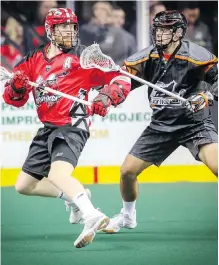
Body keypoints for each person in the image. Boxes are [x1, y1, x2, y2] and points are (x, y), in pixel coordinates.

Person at [2, 7, 131, 247]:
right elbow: (13, 100)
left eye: (72, 27)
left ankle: (91, 215)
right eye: (62, 27)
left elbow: (121, 78)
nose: (69, 32)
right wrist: (17, 87)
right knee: (24, 185)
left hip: (73, 124)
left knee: (57, 174)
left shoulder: (84, 57)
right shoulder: (32, 60)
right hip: (48, 127)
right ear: (50, 30)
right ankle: (74, 198)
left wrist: (106, 97)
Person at [90, 10, 218, 233]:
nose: (159, 34)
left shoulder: (196, 55)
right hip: (160, 125)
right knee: (127, 172)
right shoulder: (146, 56)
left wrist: (207, 96)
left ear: (178, 33)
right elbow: (124, 80)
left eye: (165, 30)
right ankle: (128, 217)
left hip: (195, 125)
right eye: (157, 29)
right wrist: (107, 96)